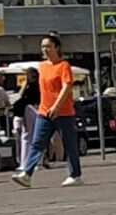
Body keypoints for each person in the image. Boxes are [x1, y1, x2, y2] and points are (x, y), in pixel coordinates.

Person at [16, 35, 84, 186]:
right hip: (44, 111)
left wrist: (56, 106)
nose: (45, 50)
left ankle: (75, 175)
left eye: (48, 46)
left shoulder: (63, 66)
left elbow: (67, 86)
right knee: (37, 142)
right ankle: (26, 174)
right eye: (43, 47)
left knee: (69, 144)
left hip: (64, 112)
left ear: (57, 48)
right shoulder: (42, 66)